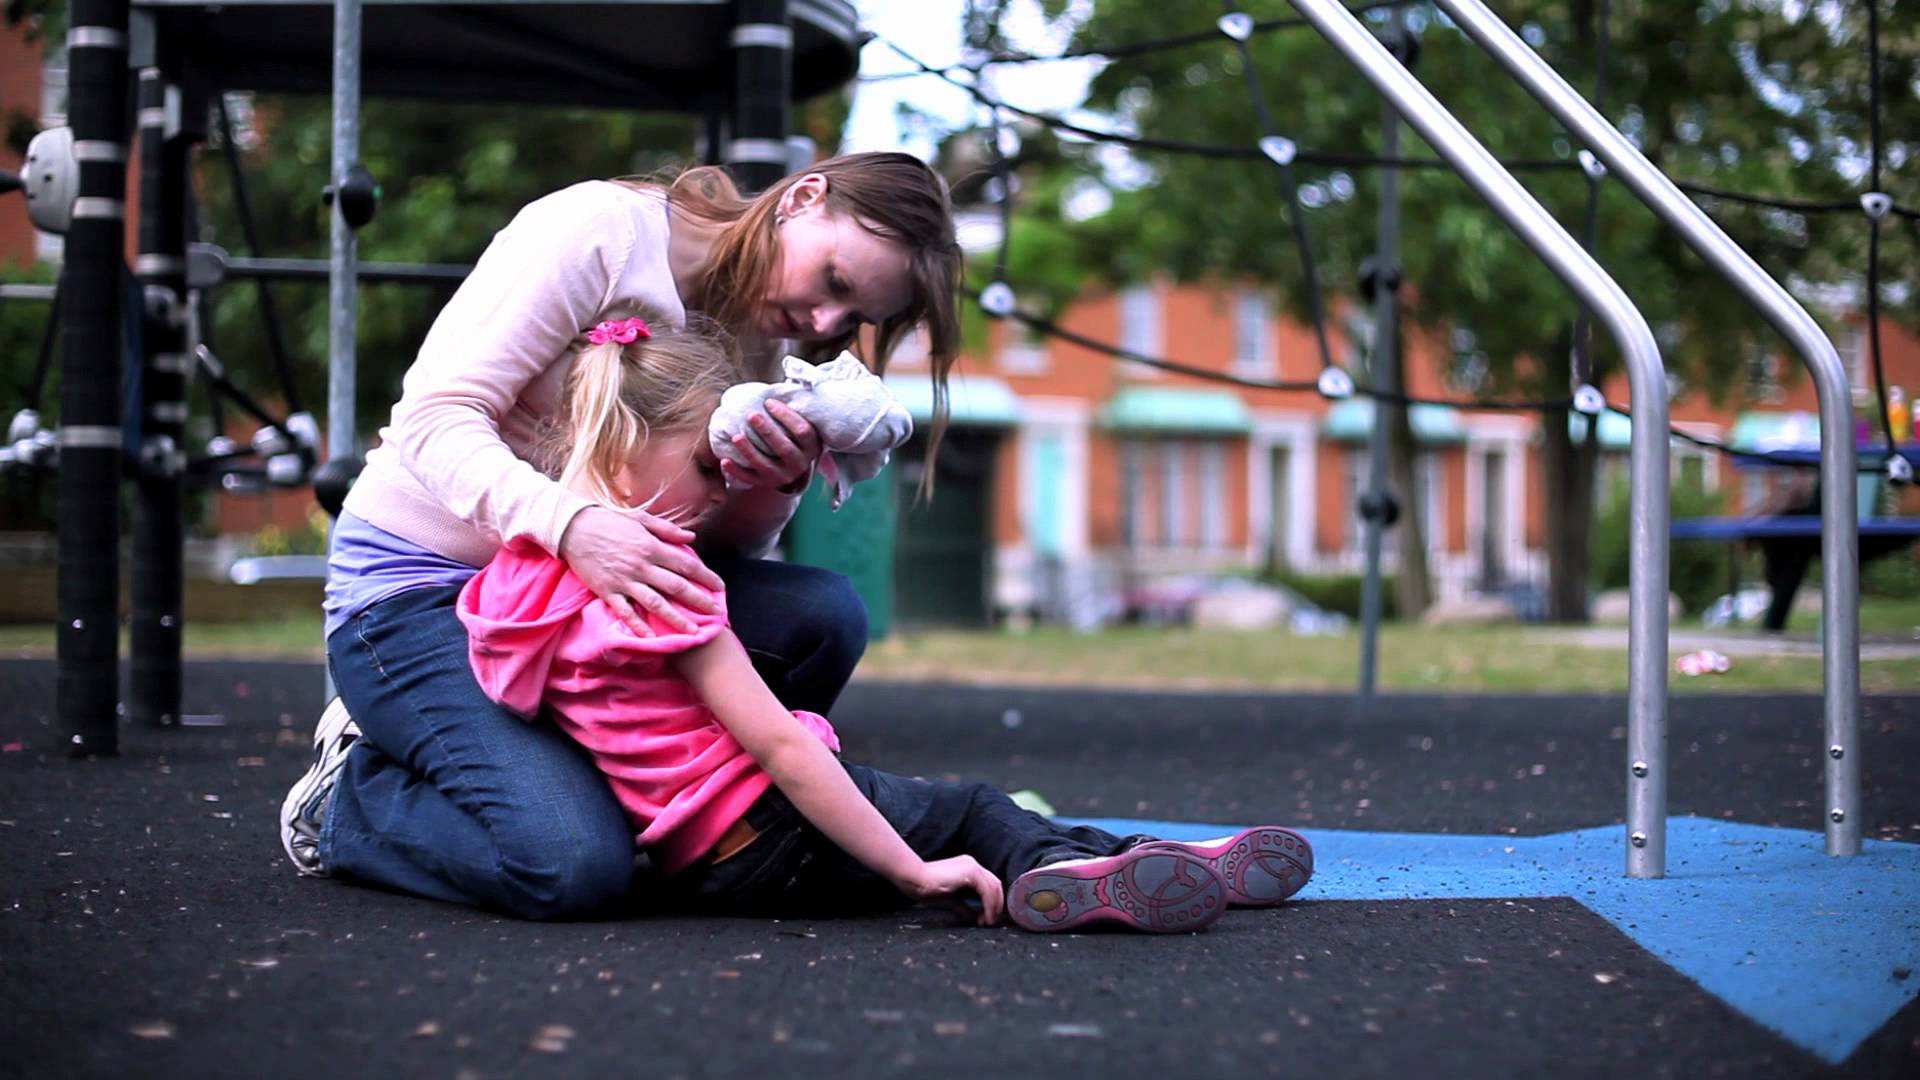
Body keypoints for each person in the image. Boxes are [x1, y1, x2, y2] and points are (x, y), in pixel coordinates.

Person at [452, 313, 1317, 931]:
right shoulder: (661, 579)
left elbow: (529, 699)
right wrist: (911, 871)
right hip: (769, 833)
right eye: (710, 471)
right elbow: (780, 750)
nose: (720, 498)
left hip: (700, 863)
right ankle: (1081, 870)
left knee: (944, 808)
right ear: (622, 447)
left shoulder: (511, 584)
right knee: (973, 812)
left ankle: (1134, 859)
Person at [279, 153, 964, 919]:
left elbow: (702, 564)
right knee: (570, 867)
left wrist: (771, 482)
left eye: (856, 319)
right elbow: (434, 420)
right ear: (803, 198)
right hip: (423, 594)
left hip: (576, 610)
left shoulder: (763, 352)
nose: (827, 325)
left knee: (821, 617)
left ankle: (646, 811)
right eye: (835, 283)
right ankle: (350, 799)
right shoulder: (599, 233)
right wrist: (572, 527)